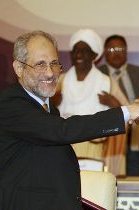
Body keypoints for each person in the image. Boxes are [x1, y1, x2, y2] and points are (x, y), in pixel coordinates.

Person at [0, 30, 139, 210]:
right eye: (40, 64)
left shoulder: (47, 106)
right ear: (19, 68)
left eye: (54, 63)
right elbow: (61, 131)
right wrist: (126, 112)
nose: (50, 73)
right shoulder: (10, 102)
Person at [52, 29, 128, 175]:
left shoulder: (107, 83)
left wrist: (114, 105)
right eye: (75, 50)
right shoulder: (59, 81)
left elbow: (127, 116)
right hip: (64, 149)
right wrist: (51, 103)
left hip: (97, 151)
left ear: (94, 55)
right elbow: (40, 116)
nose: (79, 55)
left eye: (85, 50)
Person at [98, 34, 139, 176]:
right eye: (111, 49)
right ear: (104, 52)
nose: (116, 52)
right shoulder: (98, 75)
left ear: (126, 50)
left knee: (133, 184)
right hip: (108, 139)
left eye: (120, 48)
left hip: (136, 139)